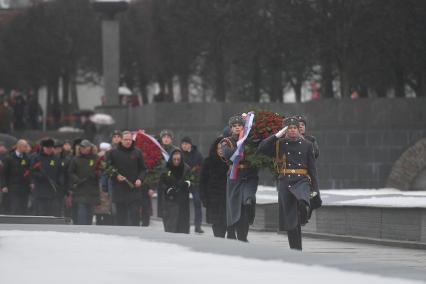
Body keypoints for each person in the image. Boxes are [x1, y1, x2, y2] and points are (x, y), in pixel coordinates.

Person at [258, 116, 321, 250]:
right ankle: (295, 248)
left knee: (302, 201)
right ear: (285, 130)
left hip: (302, 179)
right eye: (289, 128)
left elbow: (312, 169)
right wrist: (276, 136)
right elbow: (262, 148)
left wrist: (316, 190)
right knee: (291, 220)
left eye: (295, 128)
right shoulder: (279, 144)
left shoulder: (307, 145)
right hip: (285, 181)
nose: (292, 131)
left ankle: (304, 208)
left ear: (298, 129)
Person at [219, 114, 259, 242]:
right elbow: (227, 154)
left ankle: (243, 235)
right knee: (235, 207)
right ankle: (236, 233)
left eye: (239, 126)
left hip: (249, 175)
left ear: (244, 127)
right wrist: (241, 146)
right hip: (234, 177)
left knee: (247, 203)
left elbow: (258, 153)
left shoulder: (251, 140)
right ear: (231, 128)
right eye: (234, 126)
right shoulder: (227, 141)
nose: (237, 128)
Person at [105, 131, 146, 226]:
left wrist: (140, 179)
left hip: (134, 190)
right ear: (121, 140)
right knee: (120, 218)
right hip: (119, 190)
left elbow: (143, 169)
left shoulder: (137, 152)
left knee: (134, 216)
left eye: (129, 140)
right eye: (125, 140)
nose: (128, 142)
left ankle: (136, 237)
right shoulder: (113, 152)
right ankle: (121, 238)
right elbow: (107, 168)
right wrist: (116, 176)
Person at [200, 137, 235, 238]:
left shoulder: (231, 163)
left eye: (223, 148)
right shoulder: (208, 162)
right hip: (214, 201)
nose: (221, 150)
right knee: (218, 231)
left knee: (231, 233)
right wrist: (204, 199)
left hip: (228, 201)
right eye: (218, 148)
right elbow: (202, 182)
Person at [158, 149, 192, 233]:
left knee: (183, 229)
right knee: (170, 227)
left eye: (178, 159)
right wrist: (168, 189)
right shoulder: (166, 168)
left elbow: (191, 180)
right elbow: (161, 183)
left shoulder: (186, 168)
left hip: (183, 202)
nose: (176, 161)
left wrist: (187, 183)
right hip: (169, 201)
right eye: (174, 159)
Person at [68, 140, 100, 225]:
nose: (85, 149)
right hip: (80, 189)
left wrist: (97, 174)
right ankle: (81, 230)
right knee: (81, 210)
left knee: (90, 211)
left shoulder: (96, 158)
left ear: (90, 147)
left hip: (92, 189)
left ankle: (88, 230)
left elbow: (101, 170)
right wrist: (77, 180)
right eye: (83, 147)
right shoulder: (76, 159)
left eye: (87, 147)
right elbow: (70, 172)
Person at [30, 138, 61, 216]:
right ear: (43, 147)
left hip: (52, 189)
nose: (49, 149)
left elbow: (60, 171)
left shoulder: (56, 158)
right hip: (40, 189)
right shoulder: (36, 157)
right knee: (41, 212)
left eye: (51, 148)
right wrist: (40, 176)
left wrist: (59, 181)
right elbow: (31, 171)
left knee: (52, 212)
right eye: (47, 148)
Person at [0, 140, 31, 215]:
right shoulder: (9, 158)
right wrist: (3, 186)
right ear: (19, 147)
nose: (27, 148)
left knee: (23, 208)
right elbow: (4, 173)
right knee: (15, 207)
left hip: (24, 188)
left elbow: (29, 171)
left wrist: (30, 183)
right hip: (13, 187)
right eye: (25, 146)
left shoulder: (27, 158)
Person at [181, 136, 204, 233]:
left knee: (197, 202)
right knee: (182, 202)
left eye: (185, 144)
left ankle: (197, 226)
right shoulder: (180, 154)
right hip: (183, 183)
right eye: (182, 144)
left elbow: (202, 168)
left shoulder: (197, 154)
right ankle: (183, 224)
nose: (184, 146)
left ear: (190, 144)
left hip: (195, 183)